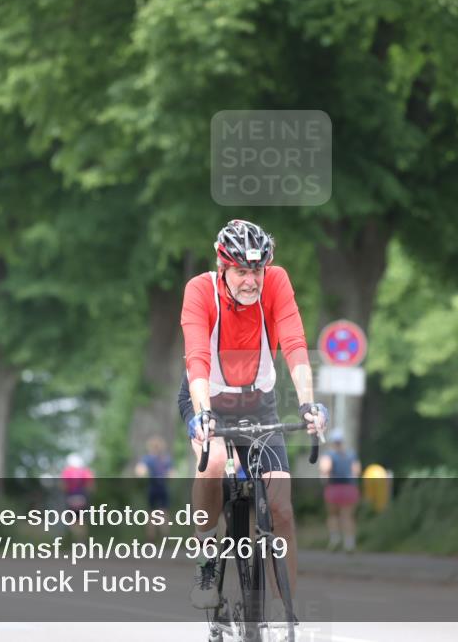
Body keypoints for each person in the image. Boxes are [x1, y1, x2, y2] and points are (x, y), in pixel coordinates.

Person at [180, 219, 327, 609]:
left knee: (281, 507)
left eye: (257, 270)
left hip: (258, 402)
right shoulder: (200, 290)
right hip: (207, 398)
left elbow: (294, 342)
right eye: (242, 271)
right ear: (223, 268)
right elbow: (196, 358)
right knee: (211, 465)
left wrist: (308, 404)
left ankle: (286, 611)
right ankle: (207, 560)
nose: (252, 280)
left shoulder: (276, 283)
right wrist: (204, 414)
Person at [319, 429, 361, 553]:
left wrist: (324, 479)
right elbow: (357, 471)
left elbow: (325, 469)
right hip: (349, 488)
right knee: (348, 516)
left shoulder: (329, 454)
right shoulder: (351, 454)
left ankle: (335, 538)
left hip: (334, 488)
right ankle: (349, 543)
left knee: (333, 515)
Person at [135, 436, 174, 541]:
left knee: (151, 514)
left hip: (153, 488)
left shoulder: (148, 458)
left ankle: (151, 539)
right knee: (164, 513)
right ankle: (165, 538)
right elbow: (172, 474)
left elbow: (139, 471)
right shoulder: (166, 459)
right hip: (163, 488)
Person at [61, 454, 94, 539]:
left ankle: (76, 539)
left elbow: (64, 486)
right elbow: (90, 485)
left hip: (71, 497)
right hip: (82, 497)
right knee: (81, 520)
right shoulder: (85, 471)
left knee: (73, 520)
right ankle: (82, 541)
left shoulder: (67, 471)